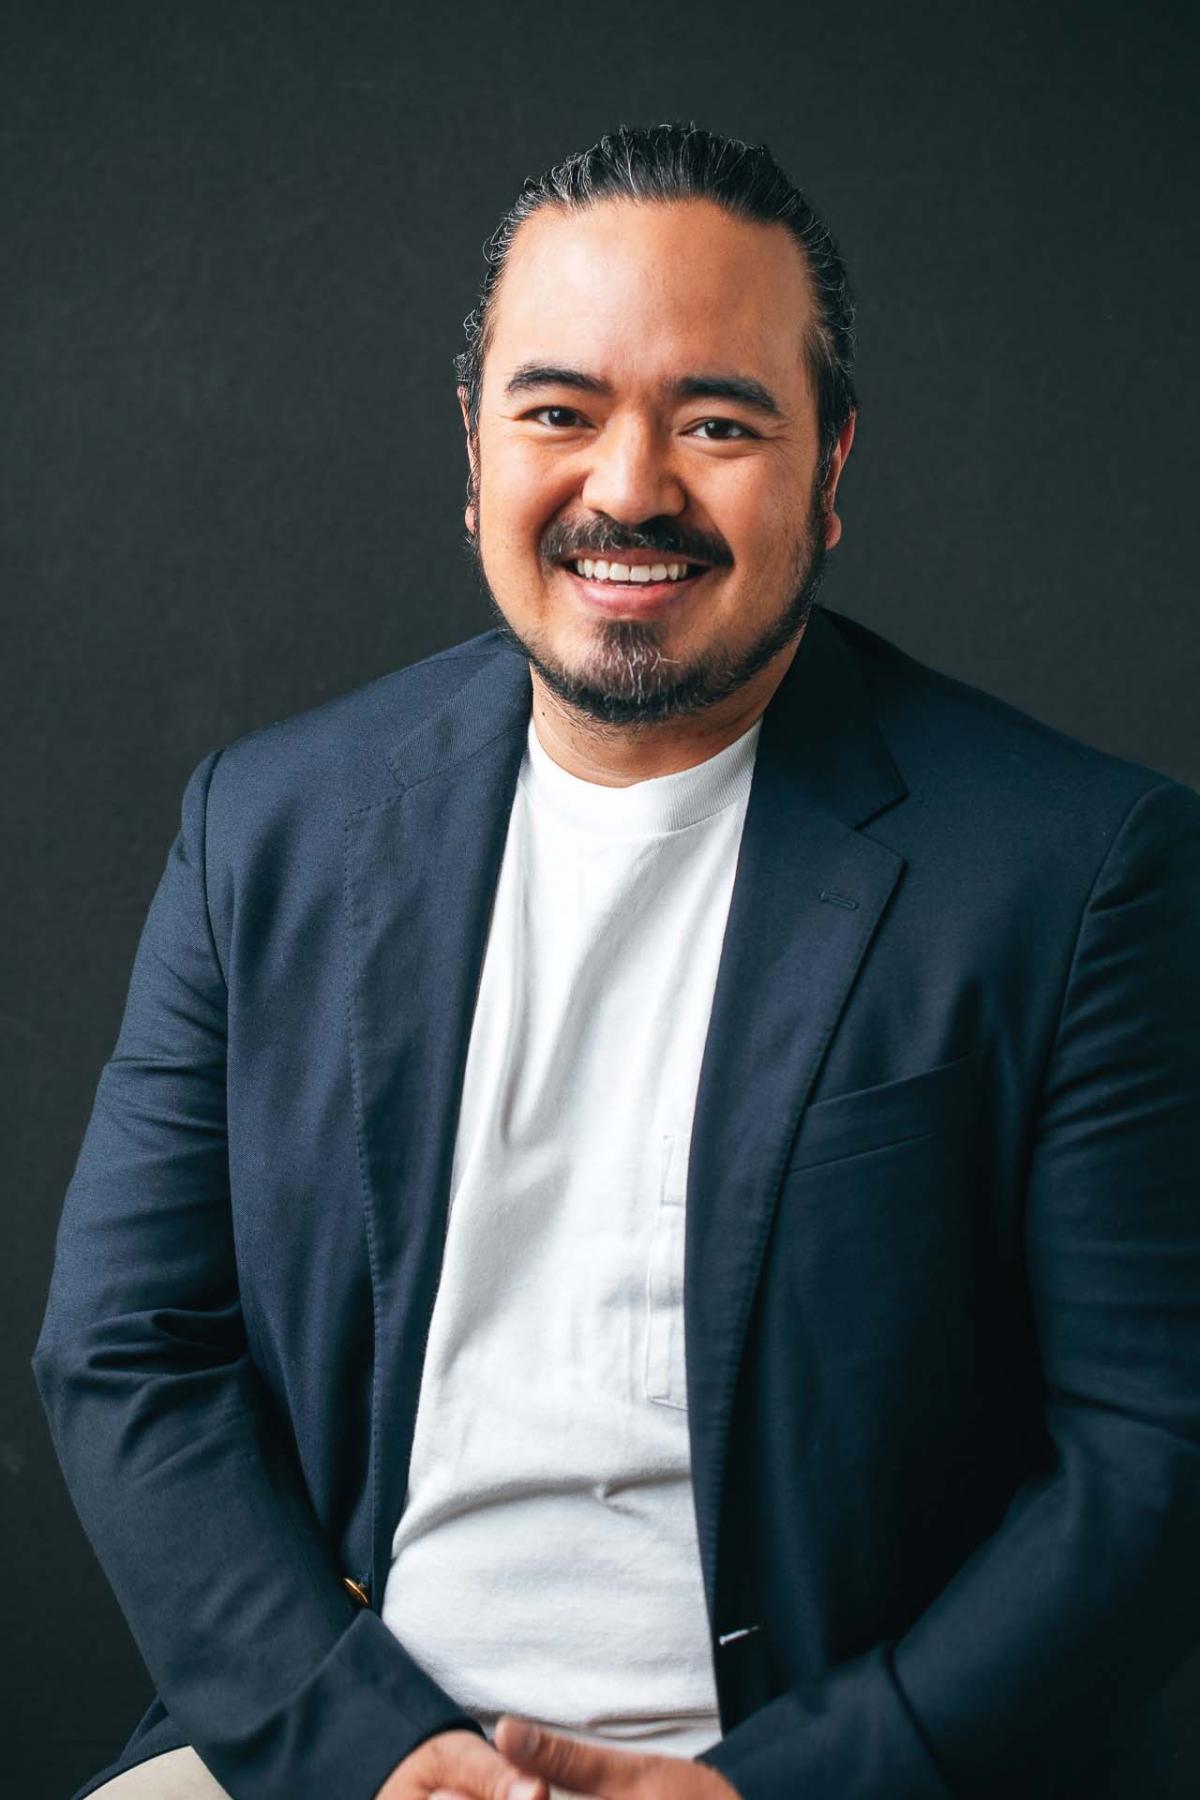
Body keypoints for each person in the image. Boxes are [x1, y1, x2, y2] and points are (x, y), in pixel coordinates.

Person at [34, 120, 1200, 1800]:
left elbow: (1154, 1451)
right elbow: (127, 1347)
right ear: (475, 445)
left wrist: (788, 1784)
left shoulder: (1077, 868)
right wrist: (368, 1751)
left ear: (833, 462)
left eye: (718, 420)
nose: (629, 486)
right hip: (333, 1745)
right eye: (559, 412)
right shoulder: (266, 825)